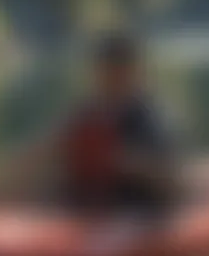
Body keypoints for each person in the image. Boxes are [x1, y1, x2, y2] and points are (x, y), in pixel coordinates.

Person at [10, 32, 179, 221]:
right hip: (87, 205)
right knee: (47, 193)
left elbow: (170, 181)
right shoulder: (87, 112)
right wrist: (13, 176)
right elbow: (49, 145)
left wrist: (122, 161)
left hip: (134, 209)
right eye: (105, 70)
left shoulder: (151, 119)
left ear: (134, 71)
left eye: (117, 70)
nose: (109, 78)